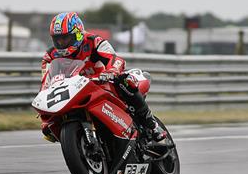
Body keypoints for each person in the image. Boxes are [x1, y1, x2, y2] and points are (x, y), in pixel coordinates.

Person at [41, 12, 166, 141]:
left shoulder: (94, 41)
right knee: (49, 128)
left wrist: (111, 71)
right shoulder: (50, 56)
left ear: (77, 33)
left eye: (65, 38)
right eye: (58, 39)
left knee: (125, 81)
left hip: (101, 83)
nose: (61, 43)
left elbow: (116, 59)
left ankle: (151, 124)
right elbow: (45, 85)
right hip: (74, 92)